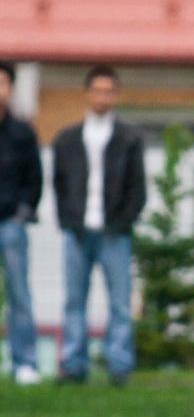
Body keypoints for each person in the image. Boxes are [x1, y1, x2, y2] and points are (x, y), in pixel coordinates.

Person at [52, 65, 146, 384]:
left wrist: (123, 219)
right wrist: (67, 219)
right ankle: (73, 365)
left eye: (109, 91)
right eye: (98, 90)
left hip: (114, 232)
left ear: (115, 96)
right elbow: (60, 184)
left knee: (120, 302)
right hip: (78, 231)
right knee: (74, 300)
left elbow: (137, 187)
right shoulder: (67, 139)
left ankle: (119, 366)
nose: (103, 97)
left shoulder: (129, 139)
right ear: (87, 93)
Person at [0, 60, 43, 385]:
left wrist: (22, 213)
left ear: (10, 89)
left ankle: (25, 362)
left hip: (11, 224)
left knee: (19, 294)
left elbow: (35, 179)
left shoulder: (22, 133)